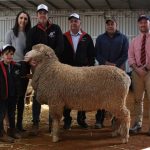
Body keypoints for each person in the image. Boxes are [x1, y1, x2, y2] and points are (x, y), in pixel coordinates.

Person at [25, 4, 64, 134]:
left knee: (54, 95)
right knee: (38, 95)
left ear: (48, 15)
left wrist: (50, 59)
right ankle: (35, 123)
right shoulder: (32, 31)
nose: (42, 15)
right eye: (40, 13)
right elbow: (28, 49)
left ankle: (52, 123)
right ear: (37, 15)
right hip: (38, 69)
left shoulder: (56, 29)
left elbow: (60, 47)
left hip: (53, 69)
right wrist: (32, 61)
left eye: (45, 13)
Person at [61, 13, 95, 129]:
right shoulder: (64, 37)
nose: (73, 23)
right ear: (69, 23)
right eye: (71, 21)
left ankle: (81, 119)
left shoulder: (87, 37)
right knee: (67, 96)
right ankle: (67, 120)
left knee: (82, 95)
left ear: (80, 22)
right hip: (67, 72)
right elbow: (60, 54)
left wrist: (89, 69)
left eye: (76, 21)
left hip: (83, 72)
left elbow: (91, 55)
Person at [95, 16, 128, 129]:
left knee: (117, 97)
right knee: (101, 95)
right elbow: (97, 53)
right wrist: (105, 63)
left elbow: (125, 54)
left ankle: (116, 120)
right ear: (106, 26)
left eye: (112, 24)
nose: (110, 26)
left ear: (116, 25)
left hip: (118, 72)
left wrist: (115, 65)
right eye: (108, 24)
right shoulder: (100, 38)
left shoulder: (123, 38)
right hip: (102, 72)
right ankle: (99, 120)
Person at [5, 11, 31, 132]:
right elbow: (6, 51)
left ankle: (19, 124)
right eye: (21, 18)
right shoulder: (10, 33)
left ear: (28, 21)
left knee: (21, 96)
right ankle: (11, 125)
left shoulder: (29, 34)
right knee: (12, 96)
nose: (23, 20)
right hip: (13, 66)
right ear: (17, 19)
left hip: (25, 66)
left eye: (25, 19)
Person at [128, 15, 150, 134]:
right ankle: (137, 124)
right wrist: (137, 69)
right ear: (138, 25)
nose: (143, 25)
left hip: (149, 72)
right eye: (140, 23)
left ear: (149, 24)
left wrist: (145, 68)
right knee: (137, 99)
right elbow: (130, 57)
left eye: (145, 22)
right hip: (137, 73)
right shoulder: (134, 41)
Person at [0, 44, 23, 142]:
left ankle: (11, 130)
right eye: (7, 54)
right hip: (2, 96)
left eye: (11, 54)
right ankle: (1, 134)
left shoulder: (16, 66)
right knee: (1, 114)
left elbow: (19, 79)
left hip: (13, 95)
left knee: (12, 113)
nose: (9, 56)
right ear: (2, 55)